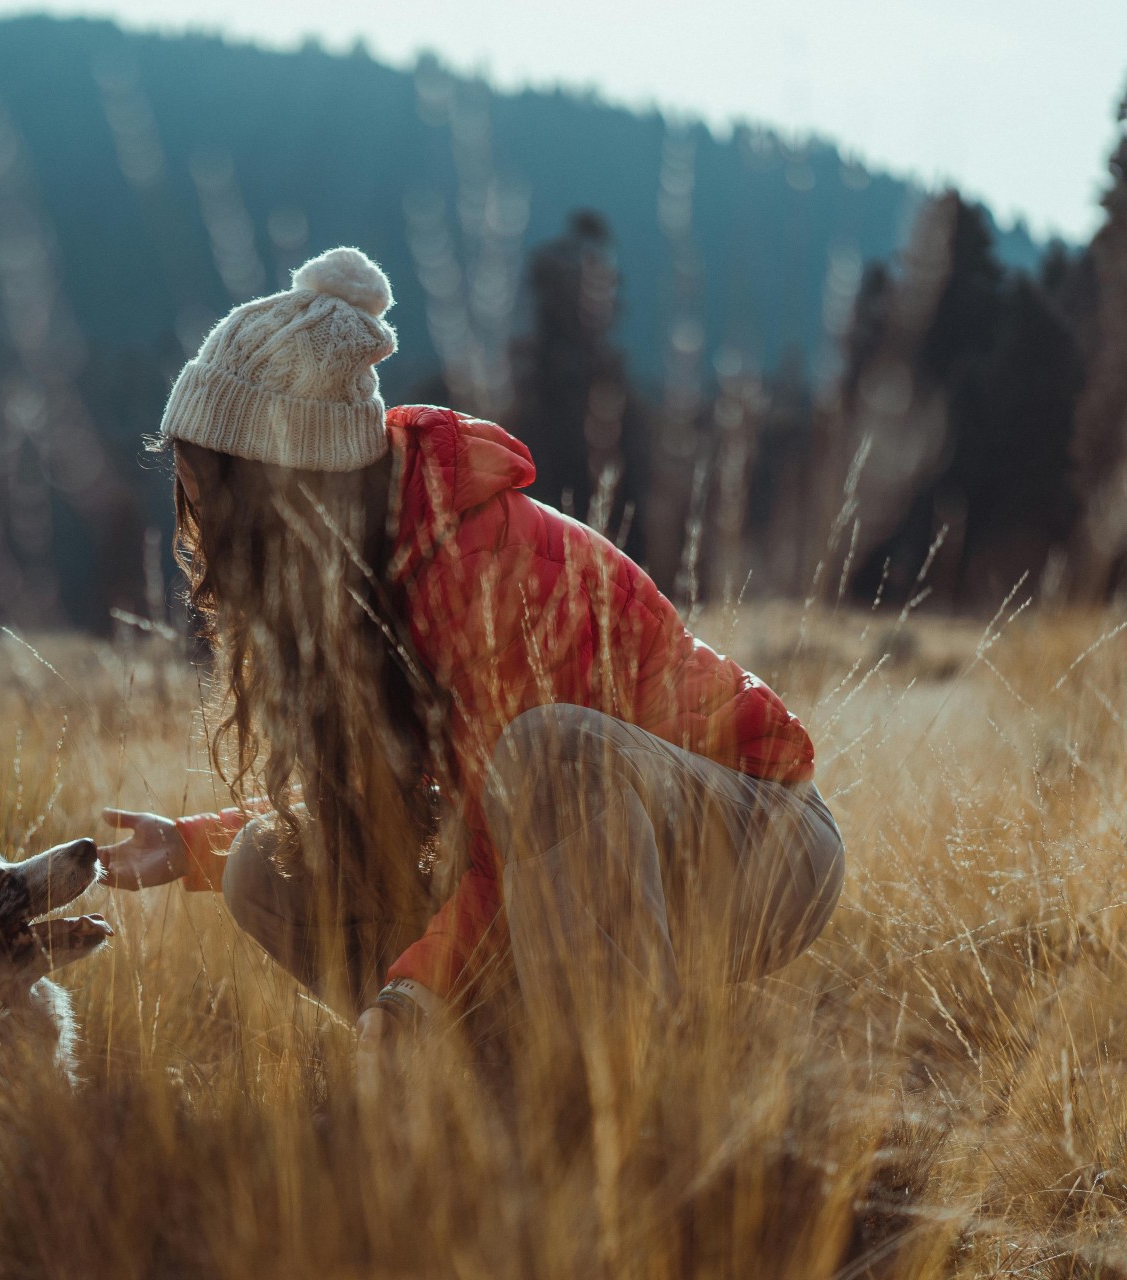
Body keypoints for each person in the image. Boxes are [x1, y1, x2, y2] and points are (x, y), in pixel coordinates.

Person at [96, 246, 843, 1076]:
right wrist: (191, 847)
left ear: (284, 493)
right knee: (258, 867)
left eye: (208, 490)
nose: (197, 524)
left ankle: (632, 1101)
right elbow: (384, 803)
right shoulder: (365, 576)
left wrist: (415, 990)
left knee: (550, 751)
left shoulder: (489, 568)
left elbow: (532, 796)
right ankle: (481, 1090)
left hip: (758, 850)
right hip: (565, 863)